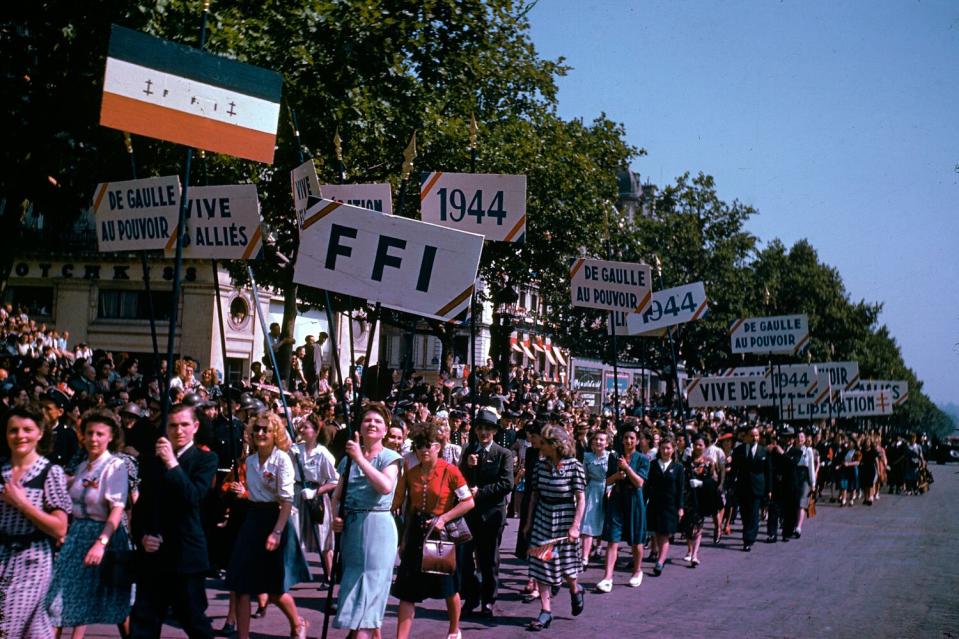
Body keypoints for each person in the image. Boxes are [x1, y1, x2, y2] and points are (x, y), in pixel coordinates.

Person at [130, 403, 218, 639]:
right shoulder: (152, 460)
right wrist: (142, 536)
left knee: (193, 621)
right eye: (173, 425)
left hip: (186, 555)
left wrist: (172, 463)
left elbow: (193, 497)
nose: (178, 430)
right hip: (154, 556)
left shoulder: (205, 460)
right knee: (144, 624)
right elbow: (141, 507)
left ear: (195, 427)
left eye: (184, 425)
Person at [47, 409, 132, 638]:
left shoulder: (116, 466)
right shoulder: (83, 465)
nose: (93, 439)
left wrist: (101, 543)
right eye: (89, 433)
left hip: (104, 536)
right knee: (56, 602)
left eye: (99, 434)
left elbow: (116, 510)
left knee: (114, 605)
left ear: (111, 436)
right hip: (77, 536)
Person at [225, 412, 308, 639]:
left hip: (276, 519)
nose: (260, 433)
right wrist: (243, 493)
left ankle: (298, 622)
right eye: (257, 429)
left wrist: (277, 532)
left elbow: (287, 500)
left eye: (266, 430)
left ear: (275, 434)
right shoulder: (250, 461)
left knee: (272, 589)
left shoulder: (282, 459)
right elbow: (256, 494)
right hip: (253, 519)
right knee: (241, 584)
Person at [392, 422, 474, 639]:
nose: (424, 449)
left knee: (448, 588)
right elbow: (403, 506)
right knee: (407, 591)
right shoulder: (410, 473)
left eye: (429, 445)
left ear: (438, 446)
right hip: (417, 534)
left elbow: (468, 502)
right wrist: (403, 539)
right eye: (419, 445)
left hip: (442, 536)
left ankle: (454, 630)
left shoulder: (450, 470)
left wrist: (444, 518)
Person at [331, 403, 402, 638]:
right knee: (353, 585)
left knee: (371, 588)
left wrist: (360, 458)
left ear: (385, 430)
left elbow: (385, 486)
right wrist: (335, 518)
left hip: (377, 526)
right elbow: (337, 496)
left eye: (378, 421)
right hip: (352, 527)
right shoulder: (347, 459)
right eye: (367, 420)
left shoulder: (390, 457)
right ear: (360, 427)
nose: (372, 424)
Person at [0, 406, 71, 639]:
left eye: (27, 430)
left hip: (32, 559)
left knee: (5, 627)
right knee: (36, 631)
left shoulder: (50, 472)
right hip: (2, 557)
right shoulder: (2, 470)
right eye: (14, 430)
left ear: (40, 433)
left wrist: (22, 503)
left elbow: (60, 527)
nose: (20, 436)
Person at [522, 425, 586, 631]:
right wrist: (529, 522)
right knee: (542, 563)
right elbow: (533, 495)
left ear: (555, 445)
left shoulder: (574, 466)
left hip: (565, 517)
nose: (539, 446)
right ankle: (545, 611)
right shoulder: (540, 466)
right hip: (543, 516)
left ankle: (575, 590)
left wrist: (575, 526)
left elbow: (580, 498)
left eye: (543, 443)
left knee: (566, 565)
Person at [458, 407, 514, 617]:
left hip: (492, 513)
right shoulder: (468, 450)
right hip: (469, 513)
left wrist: (480, 492)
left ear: (494, 431)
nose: (483, 433)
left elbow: (507, 483)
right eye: (480, 428)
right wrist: (466, 465)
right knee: (464, 558)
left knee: (489, 558)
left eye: (488, 429)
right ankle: (471, 596)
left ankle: (488, 600)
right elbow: (458, 479)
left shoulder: (503, 454)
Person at [596, 428, 648, 593]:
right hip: (617, 499)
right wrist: (617, 475)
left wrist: (627, 468)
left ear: (637, 441)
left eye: (632, 438)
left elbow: (639, 482)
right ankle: (607, 577)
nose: (628, 441)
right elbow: (607, 480)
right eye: (625, 437)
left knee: (636, 539)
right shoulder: (614, 457)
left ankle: (637, 570)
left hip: (634, 501)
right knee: (613, 538)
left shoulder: (643, 459)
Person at [292, 414, 338, 580]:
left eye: (306, 427)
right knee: (293, 534)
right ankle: (292, 574)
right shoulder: (295, 450)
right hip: (297, 494)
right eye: (302, 427)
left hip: (316, 496)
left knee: (324, 537)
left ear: (316, 431)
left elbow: (334, 481)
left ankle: (330, 575)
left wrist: (315, 492)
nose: (302, 430)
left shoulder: (323, 454)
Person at [645, 437, 684, 575]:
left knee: (665, 534)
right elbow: (647, 486)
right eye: (663, 448)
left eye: (668, 448)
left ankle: (660, 562)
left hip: (670, 506)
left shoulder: (678, 467)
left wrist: (680, 507)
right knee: (655, 532)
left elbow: (680, 489)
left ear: (673, 450)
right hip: (654, 504)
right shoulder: (653, 464)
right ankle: (655, 552)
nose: (665, 451)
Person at [680, 435, 719, 567]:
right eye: (695, 444)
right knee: (688, 526)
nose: (697, 447)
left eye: (700, 445)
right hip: (687, 497)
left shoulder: (709, 462)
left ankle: (695, 555)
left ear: (705, 446)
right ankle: (689, 549)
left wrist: (701, 483)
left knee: (698, 525)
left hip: (701, 497)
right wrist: (683, 458)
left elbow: (713, 481)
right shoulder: (687, 460)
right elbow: (679, 472)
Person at [731, 426, 770, 551]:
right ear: (746, 436)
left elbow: (768, 472)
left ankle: (748, 539)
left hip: (757, 487)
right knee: (745, 514)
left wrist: (769, 489)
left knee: (754, 514)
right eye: (752, 435)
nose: (754, 438)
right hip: (743, 487)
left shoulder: (764, 451)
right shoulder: (739, 451)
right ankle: (748, 533)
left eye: (757, 435)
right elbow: (734, 470)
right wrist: (731, 485)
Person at [580, 430, 609, 568]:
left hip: (607, 489)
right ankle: (584, 557)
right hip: (592, 490)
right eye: (596, 439)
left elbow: (614, 475)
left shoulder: (611, 457)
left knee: (603, 521)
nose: (598, 442)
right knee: (588, 522)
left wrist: (610, 489)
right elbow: (585, 476)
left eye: (602, 440)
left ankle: (599, 546)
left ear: (607, 443)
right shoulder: (587, 457)